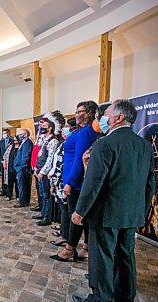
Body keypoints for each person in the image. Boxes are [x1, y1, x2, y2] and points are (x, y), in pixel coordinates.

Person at [71, 100, 155, 302]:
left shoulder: (105, 145)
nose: (102, 118)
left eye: (106, 113)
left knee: (102, 257)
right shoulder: (144, 145)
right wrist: (142, 211)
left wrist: (80, 211)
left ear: (118, 118)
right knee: (126, 256)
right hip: (132, 213)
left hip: (106, 212)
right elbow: (149, 183)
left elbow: (94, 183)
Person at [51, 100, 98, 262]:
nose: (76, 115)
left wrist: (70, 182)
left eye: (80, 112)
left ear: (90, 113)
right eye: (76, 111)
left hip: (76, 182)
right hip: (72, 179)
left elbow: (80, 159)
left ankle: (70, 248)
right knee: (79, 216)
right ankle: (85, 247)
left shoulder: (86, 133)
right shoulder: (80, 131)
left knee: (75, 216)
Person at [49, 118, 77, 247]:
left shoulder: (69, 144)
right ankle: (63, 232)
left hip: (63, 181)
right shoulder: (64, 143)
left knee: (66, 211)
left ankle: (65, 236)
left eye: (67, 126)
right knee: (62, 209)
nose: (64, 129)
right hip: (58, 181)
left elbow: (62, 164)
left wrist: (56, 181)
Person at [33, 111, 64, 225]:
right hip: (39, 171)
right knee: (42, 194)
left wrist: (42, 172)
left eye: (44, 126)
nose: (41, 128)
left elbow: (50, 159)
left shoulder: (53, 141)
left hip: (45, 173)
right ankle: (43, 212)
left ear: (50, 128)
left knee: (46, 195)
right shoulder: (44, 140)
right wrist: (37, 169)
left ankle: (47, 217)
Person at [13, 129, 33, 207]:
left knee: (22, 185)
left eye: (21, 134)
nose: (19, 135)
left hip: (23, 168)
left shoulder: (27, 143)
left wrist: (21, 167)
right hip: (21, 168)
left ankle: (22, 201)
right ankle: (24, 200)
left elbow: (26, 156)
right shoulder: (23, 142)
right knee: (23, 185)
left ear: (25, 134)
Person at [0, 128, 14, 197]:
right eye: (3, 133)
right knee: (3, 177)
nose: (4, 135)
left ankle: (9, 193)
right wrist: (2, 160)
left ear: (9, 133)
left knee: (9, 177)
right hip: (3, 163)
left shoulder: (12, 141)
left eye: (5, 133)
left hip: (10, 163)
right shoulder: (1, 142)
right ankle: (3, 190)